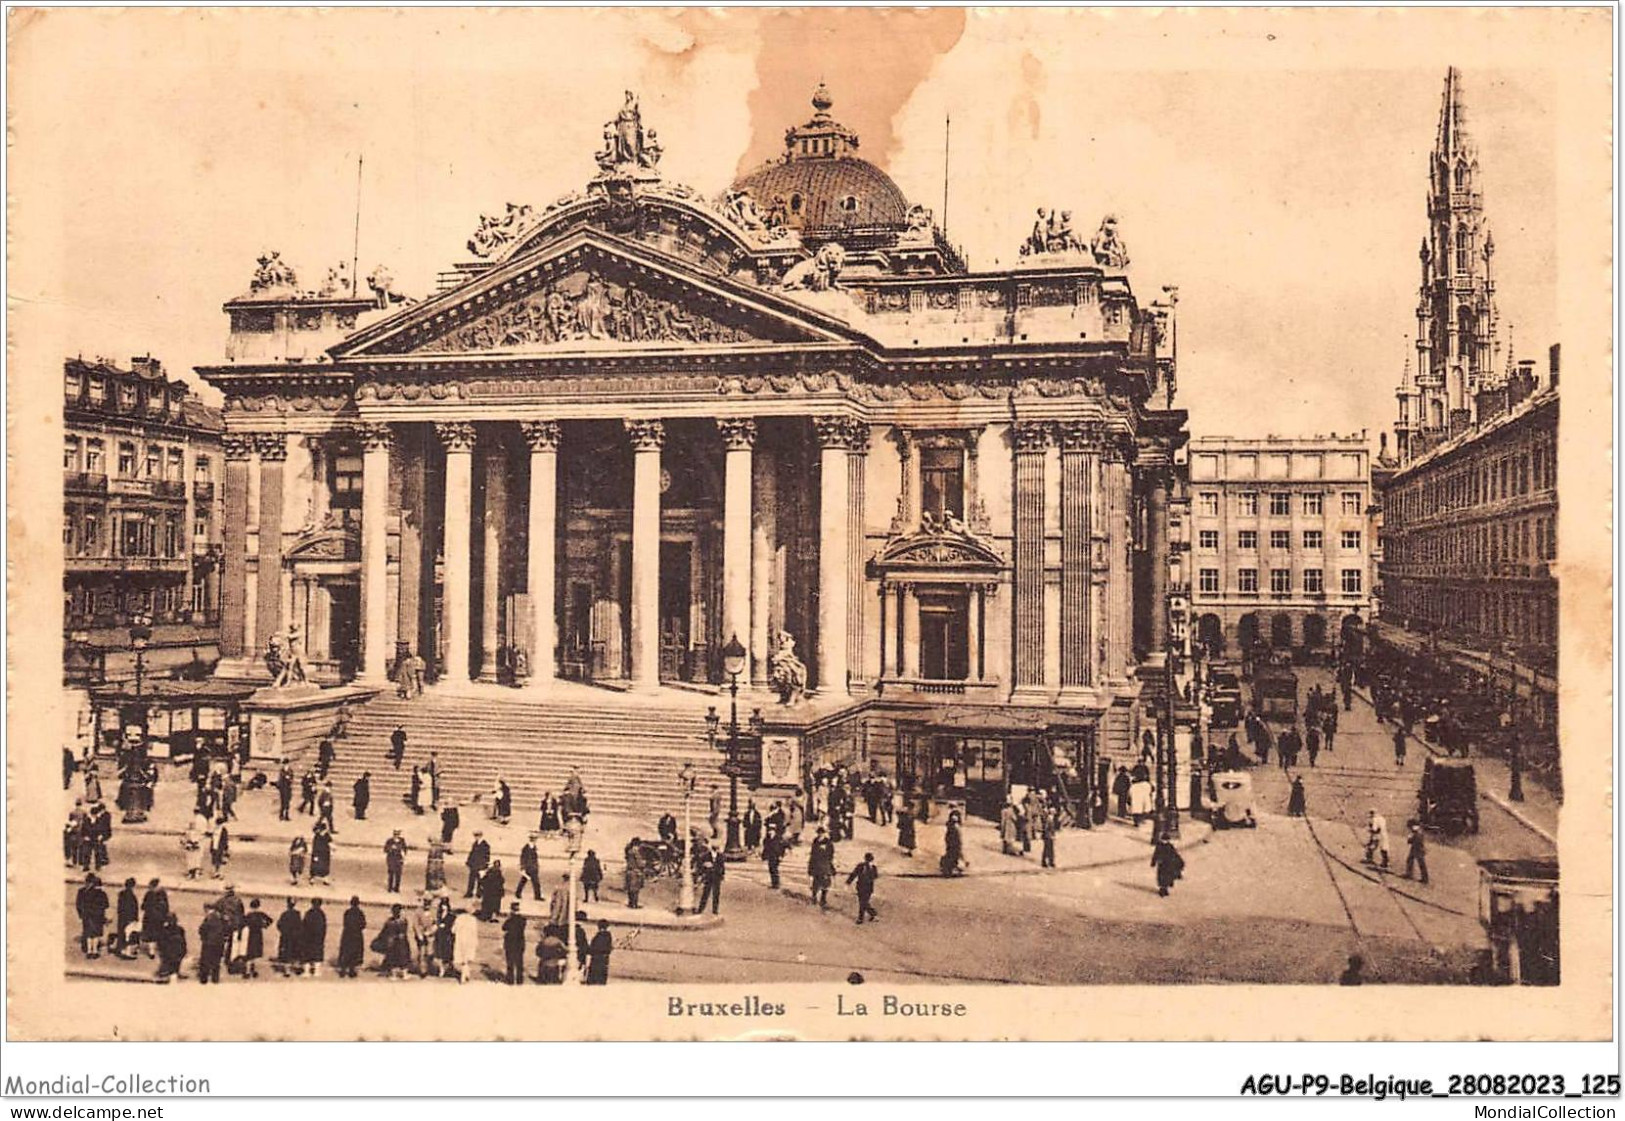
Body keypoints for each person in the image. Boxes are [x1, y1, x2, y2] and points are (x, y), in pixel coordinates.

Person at [75, 873, 109, 958]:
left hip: (87, 916)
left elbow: (79, 904)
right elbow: (106, 904)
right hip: (97, 916)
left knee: (89, 934)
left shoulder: (83, 891)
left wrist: (81, 915)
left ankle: (89, 951)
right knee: (96, 934)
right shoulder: (101, 893)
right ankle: (95, 951)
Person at [377, 903, 413, 979]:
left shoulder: (390, 921)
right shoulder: (403, 921)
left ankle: (395, 974)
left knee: (394, 958)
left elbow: (384, 932)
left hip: (393, 942)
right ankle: (403, 974)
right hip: (401, 942)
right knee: (402, 958)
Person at [240, 898, 272, 978]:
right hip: (258, 935)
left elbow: (242, 924)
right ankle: (252, 970)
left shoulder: (248, 915)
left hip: (250, 935)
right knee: (254, 954)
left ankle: (248, 971)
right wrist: (264, 926)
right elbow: (270, 920)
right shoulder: (260, 914)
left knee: (249, 953)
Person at [197, 905, 227, 985]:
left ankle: (204, 979)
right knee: (216, 962)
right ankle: (215, 979)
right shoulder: (221, 918)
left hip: (208, 942)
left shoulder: (208, 918)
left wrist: (203, 938)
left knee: (205, 961)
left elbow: (202, 929)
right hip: (219, 943)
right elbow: (227, 929)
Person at [846, 852, 880, 924]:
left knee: (863, 903)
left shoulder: (873, 868)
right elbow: (854, 874)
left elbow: (875, 876)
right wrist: (848, 882)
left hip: (868, 888)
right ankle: (872, 913)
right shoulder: (860, 866)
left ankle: (861, 918)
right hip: (860, 887)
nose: (868, 862)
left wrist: (870, 876)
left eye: (869, 860)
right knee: (863, 903)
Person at [338, 896, 367, 979]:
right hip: (356, 935)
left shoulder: (347, 912)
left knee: (346, 951)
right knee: (355, 952)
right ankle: (352, 970)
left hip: (347, 934)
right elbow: (363, 924)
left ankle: (343, 969)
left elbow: (345, 923)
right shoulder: (360, 913)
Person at [808, 826, 836, 908]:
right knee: (815, 883)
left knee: (825, 883)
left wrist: (830, 865)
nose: (820, 835)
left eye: (822, 833)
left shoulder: (828, 842)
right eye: (819, 833)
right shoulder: (815, 841)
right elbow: (812, 854)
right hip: (816, 864)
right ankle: (814, 897)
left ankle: (823, 899)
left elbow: (831, 854)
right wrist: (810, 867)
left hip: (825, 865)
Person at [156, 913, 188, 983]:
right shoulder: (180, 929)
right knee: (174, 968)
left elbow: (160, 942)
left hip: (168, 953)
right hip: (177, 953)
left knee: (168, 968)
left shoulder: (164, 930)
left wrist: (161, 951)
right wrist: (184, 951)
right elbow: (183, 942)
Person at [502, 902, 527, 985]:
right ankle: (520, 980)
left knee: (510, 963)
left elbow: (504, 928)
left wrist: (509, 917)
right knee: (519, 962)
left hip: (510, 943)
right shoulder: (523, 919)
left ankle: (510, 980)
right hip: (520, 943)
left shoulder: (510, 920)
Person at [275, 898, 303, 975]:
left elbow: (279, 925)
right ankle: (296, 968)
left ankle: (287, 971)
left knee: (286, 953)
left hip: (286, 936)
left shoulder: (284, 914)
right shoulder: (297, 914)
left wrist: (283, 932)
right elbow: (300, 926)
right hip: (295, 937)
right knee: (295, 952)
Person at [451, 907, 479, 983]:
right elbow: (474, 931)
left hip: (460, 939)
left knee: (462, 957)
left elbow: (453, 930)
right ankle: (465, 973)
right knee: (467, 958)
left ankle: (465, 974)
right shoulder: (473, 920)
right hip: (470, 940)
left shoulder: (459, 919)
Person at [302, 897, 328, 977]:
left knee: (307, 954)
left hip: (308, 937)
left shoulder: (309, 913)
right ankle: (316, 971)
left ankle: (307, 971)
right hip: (318, 937)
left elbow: (304, 925)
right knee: (317, 953)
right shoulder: (321, 914)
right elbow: (324, 927)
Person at [515, 834, 543, 901]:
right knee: (523, 881)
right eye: (534, 839)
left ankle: (537, 896)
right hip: (528, 868)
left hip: (533, 868)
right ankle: (518, 893)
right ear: (532, 839)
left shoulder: (534, 847)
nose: (535, 841)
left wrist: (537, 866)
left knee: (536, 883)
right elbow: (523, 858)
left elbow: (535, 859)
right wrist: (523, 867)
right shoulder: (526, 848)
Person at [585, 920, 613, 985]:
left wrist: (588, 950)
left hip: (596, 959)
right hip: (604, 959)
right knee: (601, 977)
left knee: (594, 978)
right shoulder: (608, 936)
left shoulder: (599, 936)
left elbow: (594, 948)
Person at [697, 851, 725, 915]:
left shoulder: (720, 856)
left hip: (716, 877)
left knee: (716, 894)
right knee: (705, 893)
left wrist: (722, 875)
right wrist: (705, 866)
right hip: (708, 877)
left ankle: (715, 910)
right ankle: (700, 909)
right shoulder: (706, 855)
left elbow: (722, 867)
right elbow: (700, 865)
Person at [465, 832, 490, 898]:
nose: (476, 838)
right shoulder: (475, 844)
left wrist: (484, 866)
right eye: (475, 836)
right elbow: (472, 853)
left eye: (477, 836)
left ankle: (479, 893)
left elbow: (486, 857)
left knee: (480, 881)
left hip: (480, 866)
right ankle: (469, 893)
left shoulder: (485, 845)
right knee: (471, 880)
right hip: (474, 865)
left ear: (480, 836)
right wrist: (468, 861)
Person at [1403, 819, 1430, 884]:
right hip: (1416, 848)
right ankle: (1409, 874)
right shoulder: (1418, 830)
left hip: (1418, 849)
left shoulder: (1417, 832)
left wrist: (1410, 839)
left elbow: (1414, 840)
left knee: (1421, 863)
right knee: (1410, 860)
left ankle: (1424, 879)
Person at [941, 811, 965, 877]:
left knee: (953, 856)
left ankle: (950, 869)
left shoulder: (952, 826)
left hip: (952, 843)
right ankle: (950, 869)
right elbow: (957, 836)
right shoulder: (955, 826)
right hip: (954, 843)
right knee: (954, 856)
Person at [310, 820, 334, 885]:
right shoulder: (317, 836)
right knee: (315, 866)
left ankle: (325, 879)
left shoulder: (325, 835)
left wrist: (332, 849)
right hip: (319, 853)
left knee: (324, 866)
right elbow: (315, 846)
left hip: (324, 854)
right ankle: (313, 878)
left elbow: (330, 843)